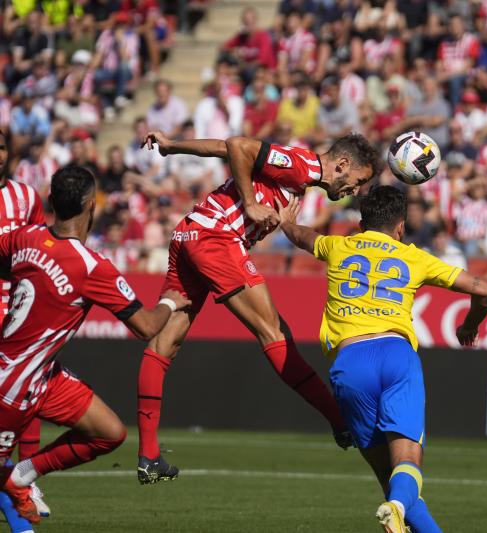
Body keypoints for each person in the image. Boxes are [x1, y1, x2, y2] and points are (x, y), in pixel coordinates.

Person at [135, 130, 381, 484]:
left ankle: (148, 456)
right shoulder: (304, 166)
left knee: (164, 343)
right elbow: (238, 144)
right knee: (274, 333)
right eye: (358, 181)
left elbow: (226, 149)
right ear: (342, 165)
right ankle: (341, 422)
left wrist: (173, 146)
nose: (356, 191)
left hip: (190, 232)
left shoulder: (296, 174)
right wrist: (249, 203)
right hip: (217, 238)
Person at [278, 186, 487, 533]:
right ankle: (395, 506)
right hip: (396, 356)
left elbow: (305, 237)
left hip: (350, 363)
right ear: (401, 227)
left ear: (362, 223)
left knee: (391, 481)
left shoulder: (339, 246)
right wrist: (469, 325)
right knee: (406, 472)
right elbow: (484, 289)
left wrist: (286, 224)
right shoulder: (414, 257)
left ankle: (395, 507)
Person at [0, 165, 191, 523]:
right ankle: (12, 483)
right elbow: (147, 327)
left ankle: (20, 476)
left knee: (109, 432)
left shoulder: (25, 237)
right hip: (9, 387)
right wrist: (169, 301)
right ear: (92, 205)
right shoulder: (92, 267)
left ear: (51, 200)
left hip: (43, 376)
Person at [0, 127, 48, 520]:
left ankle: (26, 482)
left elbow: (39, 243)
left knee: (26, 394)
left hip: (18, 306)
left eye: (1, 146)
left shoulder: (26, 197)